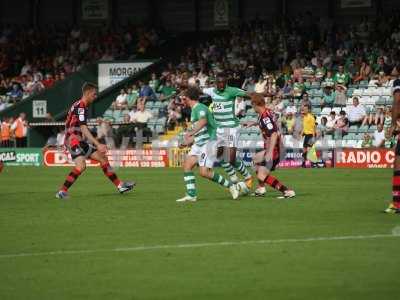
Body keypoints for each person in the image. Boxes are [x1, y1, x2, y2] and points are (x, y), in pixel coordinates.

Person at [56, 83, 134, 199]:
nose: (95, 96)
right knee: (81, 166)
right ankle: (62, 192)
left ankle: (120, 185)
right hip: (73, 140)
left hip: (76, 140)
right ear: (87, 93)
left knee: (103, 158)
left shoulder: (78, 105)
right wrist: (97, 144)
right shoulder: (81, 107)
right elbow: (82, 127)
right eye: (94, 94)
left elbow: (72, 124)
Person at [176, 87, 241, 202]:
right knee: (187, 165)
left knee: (204, 172)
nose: (182, 100)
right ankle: (191, 195)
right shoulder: (194, 110)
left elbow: (203, 122)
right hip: (199, 144)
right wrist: (186, 142)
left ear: (188, 98)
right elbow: (199, 132)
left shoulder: (200, 108)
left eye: (183, 98)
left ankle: (231, 186)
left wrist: (189, 134)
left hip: (209, 143)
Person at [202, 73, 253, 189]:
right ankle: (233, 177)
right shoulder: (211, 91)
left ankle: (248, 176)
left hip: (231, 128)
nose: (221, 85)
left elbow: (248, 95)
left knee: (231, 158)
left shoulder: (232, 91)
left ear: (226, 83)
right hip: (219, 129)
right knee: (219, 154)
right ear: (215, 83)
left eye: (223, 82)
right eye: (219, 82)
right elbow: (200, 90)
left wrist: (262, 96)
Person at [243, 94, 295, 198]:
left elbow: (274, 133)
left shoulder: (265, 116)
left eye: (252, 105)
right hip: (275, 147)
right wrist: (254, 123)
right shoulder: (266, 113)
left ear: (255, 104)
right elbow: (269, 124)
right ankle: (261, 188)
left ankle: (287, 191)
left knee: (261, 175)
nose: (252, 108)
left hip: (275, 148)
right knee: (255, 160)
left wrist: (270, 152)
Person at [384, 79, 400, 213]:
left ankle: (396, 203)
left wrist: (392, 126)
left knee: (397, 165)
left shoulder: (397, 86)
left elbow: (397, 102)